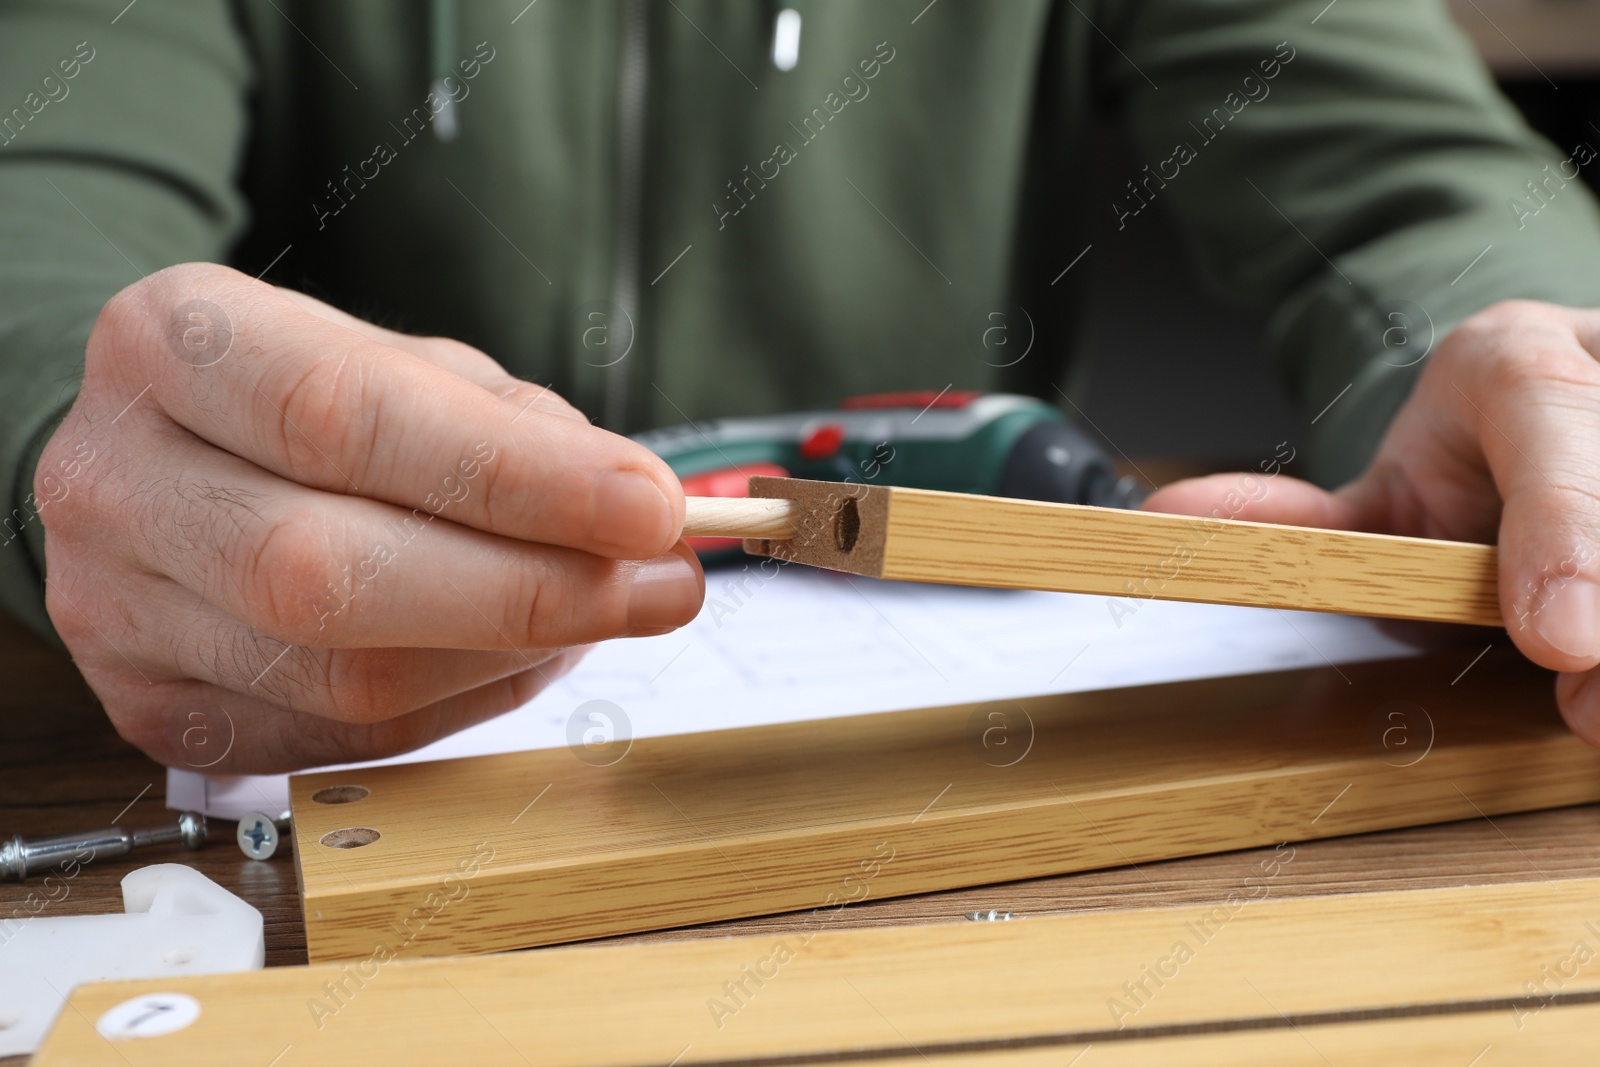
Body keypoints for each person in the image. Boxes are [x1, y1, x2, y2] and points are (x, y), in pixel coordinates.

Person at [2, 0, 1599, 772]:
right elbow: (35, 217)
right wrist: (73, 451)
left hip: (948, 779)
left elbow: (1420, 190)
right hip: (301, 775)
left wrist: (1531, 355)